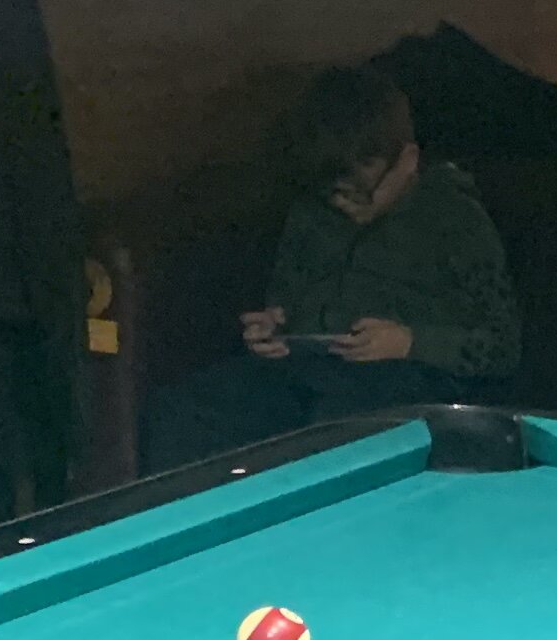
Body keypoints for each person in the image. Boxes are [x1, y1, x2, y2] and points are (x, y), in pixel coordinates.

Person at [141, 68, 519, 471]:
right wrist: (272, 329)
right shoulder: (310, 215)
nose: (342, 205)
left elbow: (502, 346)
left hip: (409, 377)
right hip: (309, 370)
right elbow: (286, 299)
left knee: (340, 423)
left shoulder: (455, 220)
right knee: (185, 410)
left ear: (407, 161)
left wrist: (408, 341)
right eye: (333, 193)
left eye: (359, 193)